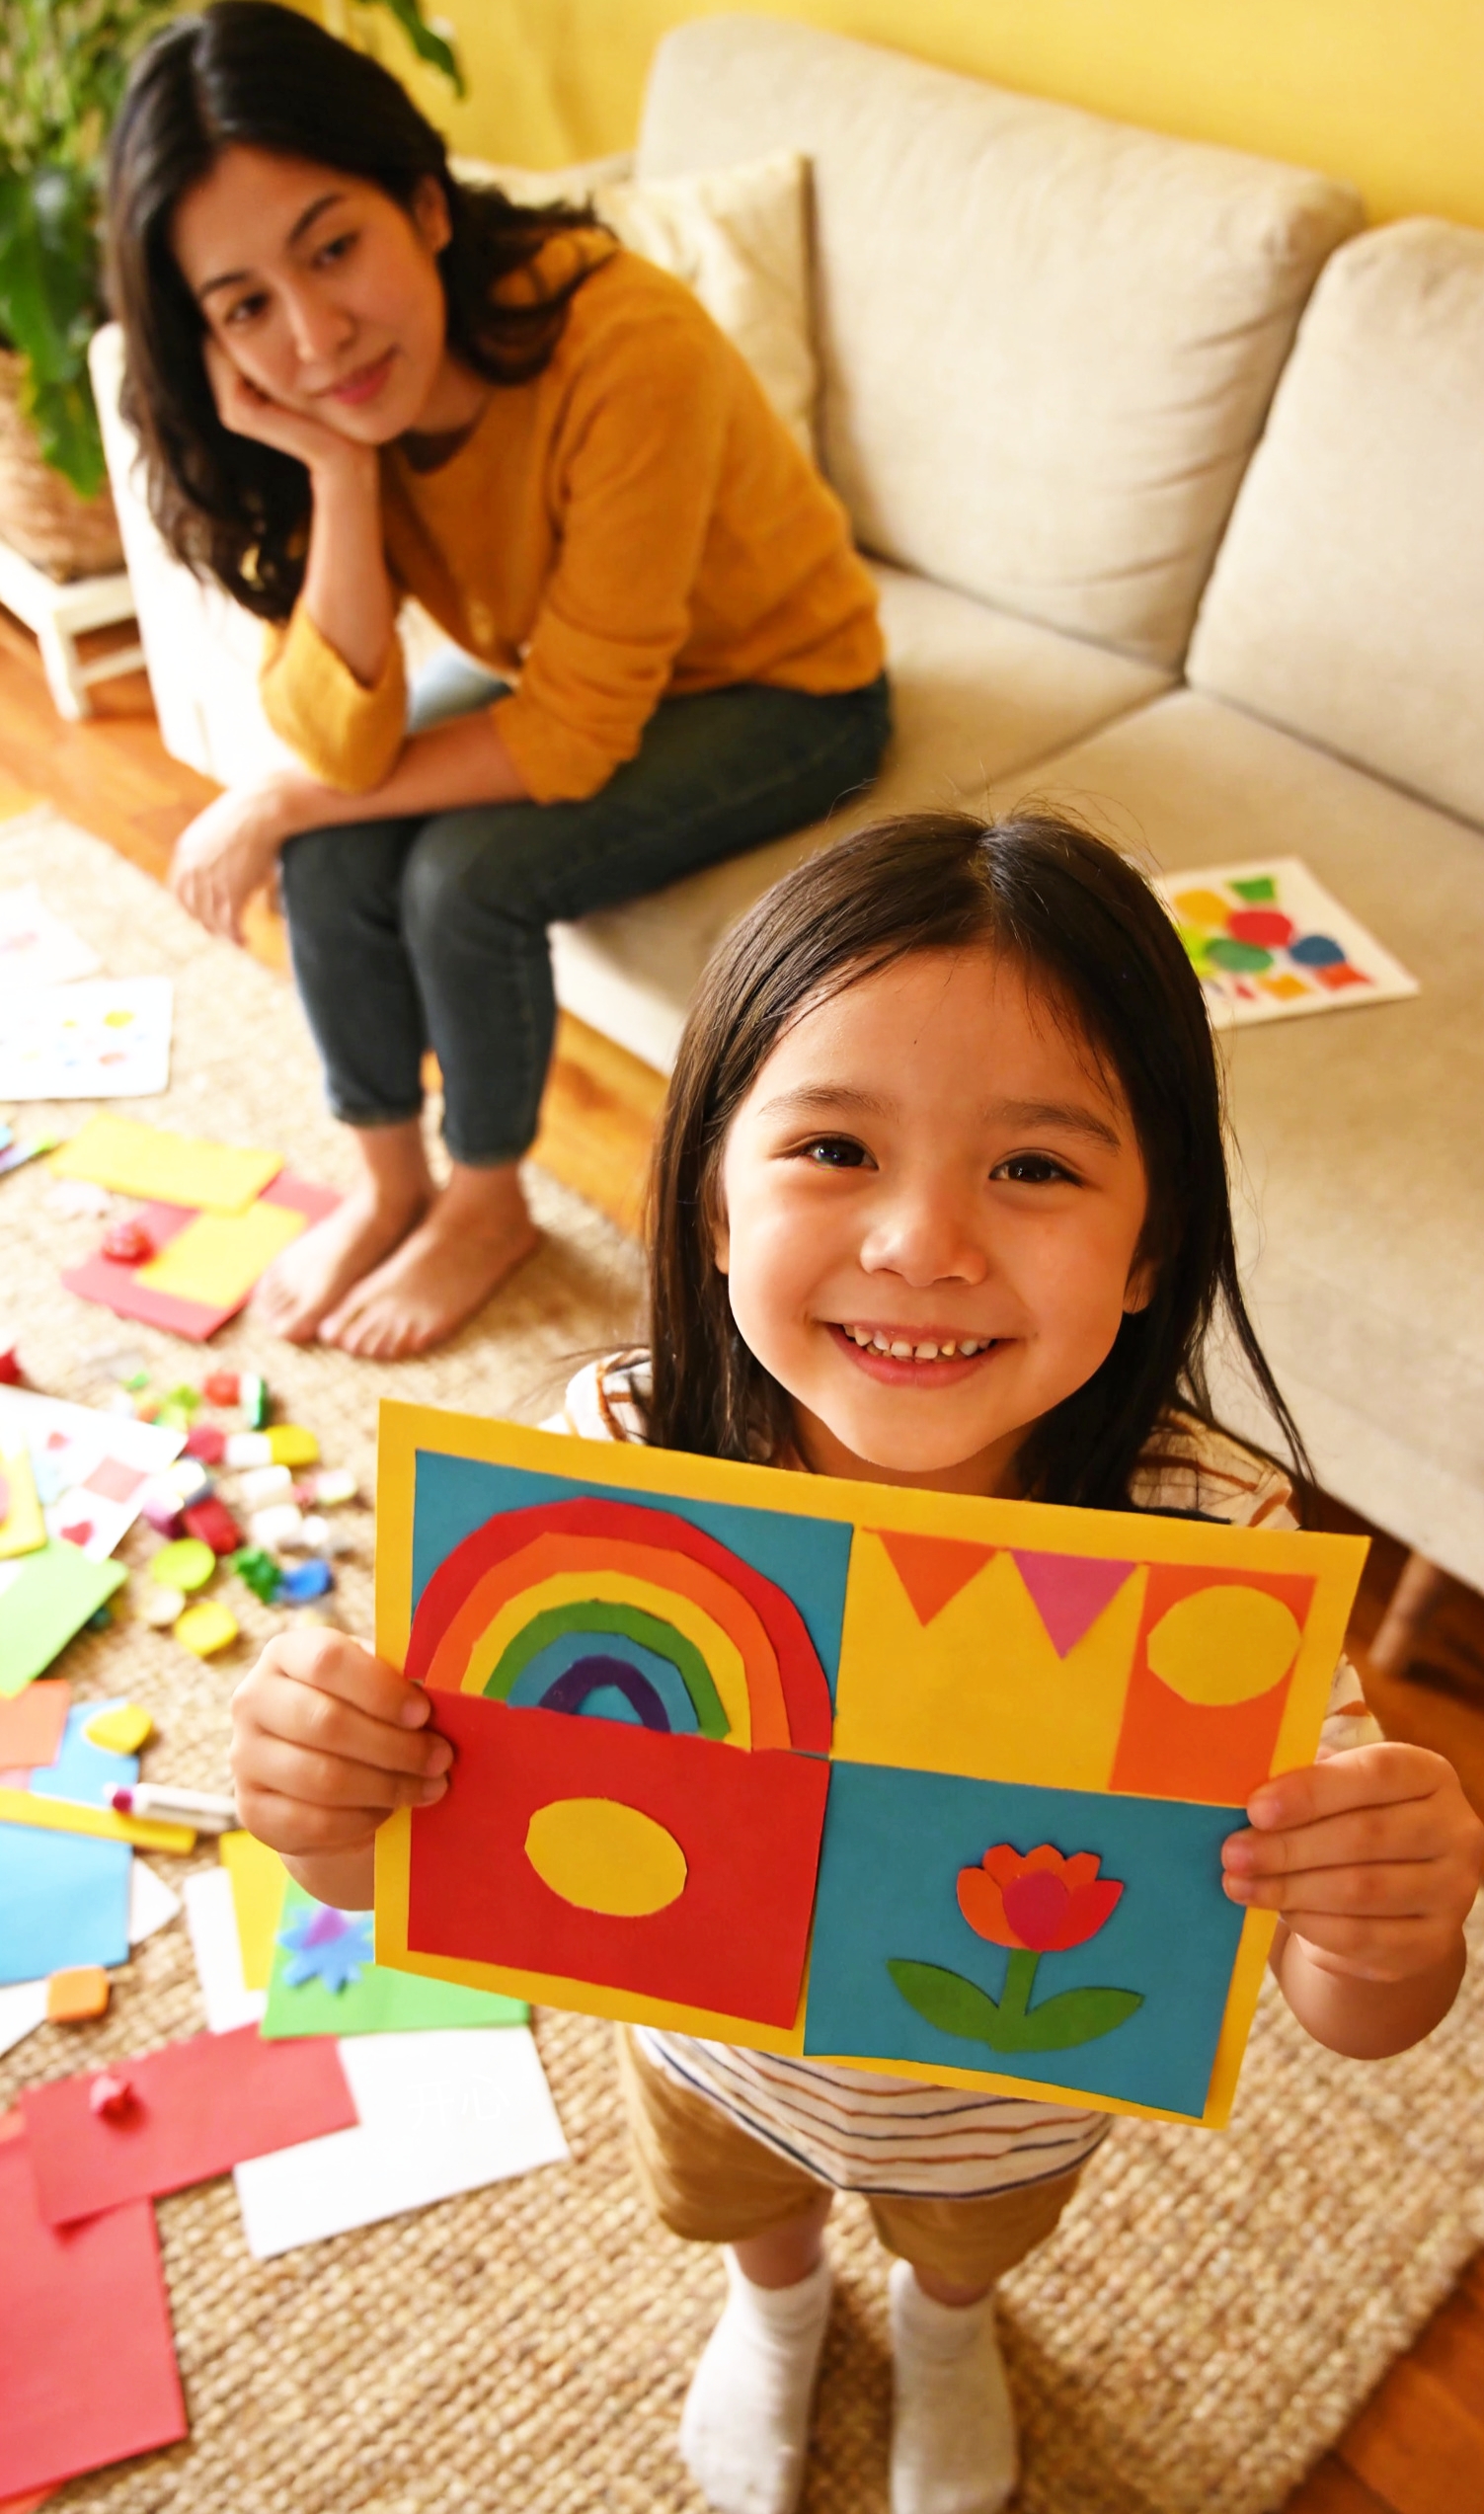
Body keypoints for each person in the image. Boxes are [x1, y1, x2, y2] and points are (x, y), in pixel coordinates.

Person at [228, 812, 1481, 2514]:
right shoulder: (613, 1462)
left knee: (966, 2249)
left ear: (1149, 1249)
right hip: (710, 2057)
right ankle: (780, 2300)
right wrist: (324, 1803)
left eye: (1035, 1167)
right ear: (713, 1206)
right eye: (832, 1148)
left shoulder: (1218, 1553)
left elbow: (1353, 2008)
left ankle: (946, 2329)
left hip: (1009, 2110)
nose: (923, 1243)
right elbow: (412, 1853)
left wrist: (1389, 1921)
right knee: (741, 2207)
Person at [106, 1, 889, 1360]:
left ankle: (484, 1201)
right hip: (608, 680)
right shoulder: (352, 405)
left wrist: (279, 801)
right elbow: (340, 744)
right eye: (247, 308)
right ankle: (393, 1180)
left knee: (455, 878)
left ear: (424, 201)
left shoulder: (623, 343)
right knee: (339, 854)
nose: (315, 337)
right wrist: (342, 474)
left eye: (334, 248)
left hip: (791, 687)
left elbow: (574, 738)